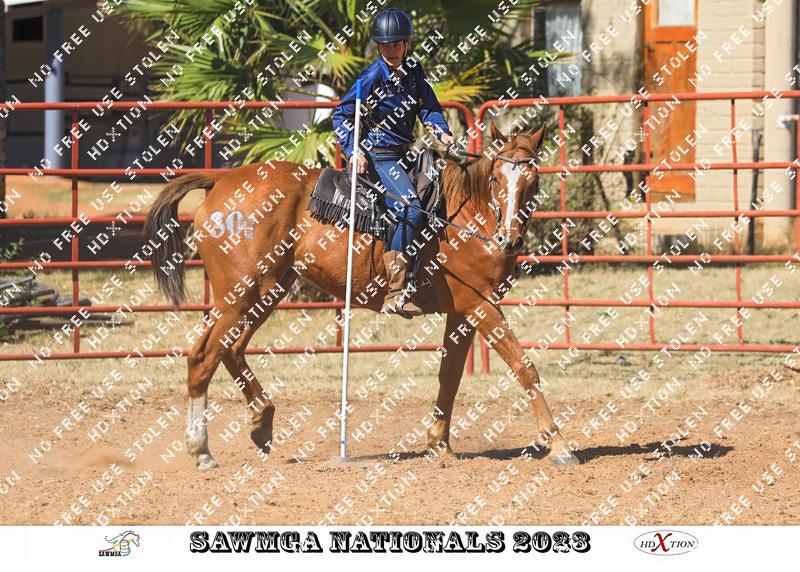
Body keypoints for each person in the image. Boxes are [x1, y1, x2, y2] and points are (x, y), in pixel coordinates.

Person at [332, 7, 455, 318]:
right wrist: (354, 151)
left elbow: (428, 107)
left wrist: (442, 132)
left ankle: (426, 277)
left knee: (441, 192)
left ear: (407, 44)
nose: (391, 50)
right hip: (378, 156)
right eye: (385, 45)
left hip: (406, 153)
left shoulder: (414, 71)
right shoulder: (370, 78)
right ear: (378, 47)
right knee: (410, 206)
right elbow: (342, 116)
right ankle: (396, 290)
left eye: (396, 44)